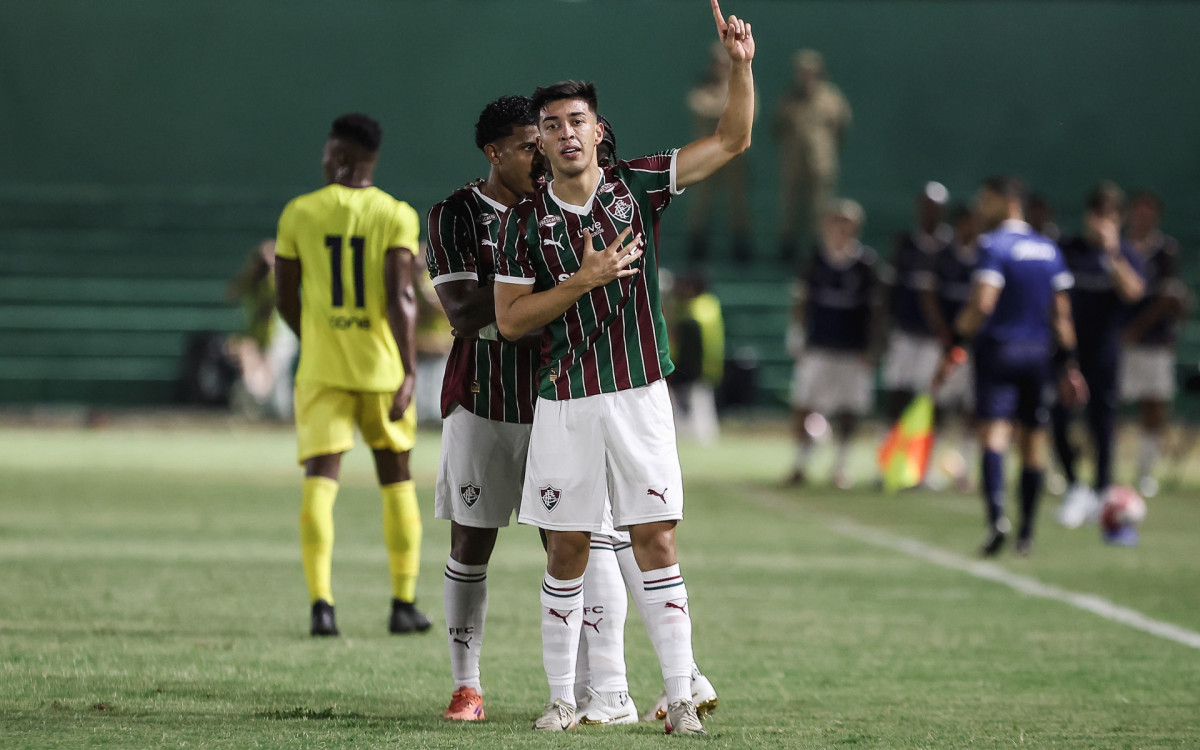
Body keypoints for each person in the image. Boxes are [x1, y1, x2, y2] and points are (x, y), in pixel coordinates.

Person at [491, 2, 754, 734]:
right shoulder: (521, 224)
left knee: (655, 537)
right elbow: (511, 321)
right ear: (538, 142)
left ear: (598, 130)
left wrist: (740, 65)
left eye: (578, 120)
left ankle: (678, 697)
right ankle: (562, 700)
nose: (567, 133)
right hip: (565, 401)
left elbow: (734, 139)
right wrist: (584, 278)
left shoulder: (637, 187)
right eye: (552, 125)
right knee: (568, 545)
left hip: (638, 392)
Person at [428, 96, 646, 726]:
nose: (541, 152)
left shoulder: (565, 207)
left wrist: (530, 309)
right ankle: (467, 685)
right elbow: (465, 314)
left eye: (543, 141)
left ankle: (595, 688)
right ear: (494, 152)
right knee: (471, 540)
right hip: (485, 401)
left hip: (564, 398)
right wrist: (532, 313)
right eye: (528, 144)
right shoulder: (458, 213)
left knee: (579, 538)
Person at [274, 113, 429, 637]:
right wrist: (408, 371)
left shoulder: (299, 213)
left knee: (320, 481)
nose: (323, 160)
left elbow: (284, 296)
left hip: (323, 371)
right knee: (397, 481)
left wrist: (316, 336)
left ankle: (322, 606)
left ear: (341, 155)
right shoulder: (396, 214)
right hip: (381, 369)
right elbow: (401, 295)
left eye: (327, 152)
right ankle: (403, 603)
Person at [933, 176, 1087, 557]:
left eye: (987, 201)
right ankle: (1027, 534)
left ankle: (998, 519)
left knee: (995, 437)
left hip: (999, 351)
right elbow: (1062, 316)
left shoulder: (993, 246)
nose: (981, 210)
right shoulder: (1048, 249)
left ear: (1007, 201)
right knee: (1034, 445)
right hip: (1039, 355)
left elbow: (983, 302)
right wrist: (1069, 366)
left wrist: (956, 343)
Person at [1052, 182, 1145, 528]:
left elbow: (1134, 292)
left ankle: (1103, 490)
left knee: (1102, 421)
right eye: (1097, 214)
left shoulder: (1124, 254)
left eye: (1109, 215)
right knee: (1057, 416)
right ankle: (1075, 485)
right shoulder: (1070, 250)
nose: (1100, 222)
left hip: (1105, 353)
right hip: (1068, 353)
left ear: (1118, 219)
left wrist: (1114, 255)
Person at [786, 199, 882, 489]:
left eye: (847, 223)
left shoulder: (866, 264)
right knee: (804, 405)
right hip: (819, 345)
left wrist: (873, 347)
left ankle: (840, 464)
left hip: (852, 349)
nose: (841, 228)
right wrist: (797, 334)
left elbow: (876, 310)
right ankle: (800, 463)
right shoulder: (815, 259)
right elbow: (801, 300)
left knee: (850, 409)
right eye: (836, 221)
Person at [1121, 191, 1187, 497]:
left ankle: (1145, 473)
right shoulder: (1118, 248)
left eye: (1148, 211)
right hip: (1120, 342)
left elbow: (1169, 297)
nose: (1142, 216)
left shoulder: (1166, 251)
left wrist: (1139, 327)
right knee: (1108, 405)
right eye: (1138, 210)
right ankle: (1103, 472)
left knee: (1154, 407)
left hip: (1154, 344)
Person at [882, 182, 953, 429]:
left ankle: (924, 453)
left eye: (934, 207)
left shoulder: (949, 248)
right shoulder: (906, 243)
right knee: (897, 389)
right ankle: (890, 443)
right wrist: (886, 326)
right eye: (925, 206)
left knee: (930, 396)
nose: (929, 212)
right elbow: (889, 289)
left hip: (935, 337)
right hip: (904, 330)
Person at [773, 48, 852, 265]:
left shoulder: (832, 98)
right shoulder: (789, 98)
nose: (806, 76)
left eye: (810, 71)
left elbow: (842, 125)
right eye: (802, 71)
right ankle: (788, 248)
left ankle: (818, 251)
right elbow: (778, 127)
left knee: (821, 208)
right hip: (794, 162)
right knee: (791, 207)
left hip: (821, 162)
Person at [685, 42, 755, 264]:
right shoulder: (705, 88)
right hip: (706, 156)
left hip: (734, 158)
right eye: (717, 63)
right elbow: (700, 106)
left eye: (724, 63)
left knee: (738, 204)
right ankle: (697, 247)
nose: (720, 67)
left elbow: (751, 111)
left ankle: (741, 248)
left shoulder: (741, 85)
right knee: (701, 203)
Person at [929, 204, 981, 489]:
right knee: (938, 405)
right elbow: (930, 294)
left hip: (975, 347)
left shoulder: (987, 254)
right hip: (947, 343)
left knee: (972, 410)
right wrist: (944, 332)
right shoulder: (943, 256)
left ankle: (966, 470)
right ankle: (927, 469)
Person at [226, 239, 298, 420]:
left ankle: (282, 415)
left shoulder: (276, 280)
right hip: (257, 337)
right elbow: (232, 293)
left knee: (274, 381)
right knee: (259, 381)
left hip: (279, 339)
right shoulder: (251, 283)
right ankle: (258, 411)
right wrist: (252, 268)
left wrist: (275, 266)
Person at [669, 271, 725, 445]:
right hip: (710, 363)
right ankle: (703, 436)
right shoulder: (711, 304)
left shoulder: (694, 310)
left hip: (695, 365)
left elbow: (680, 337)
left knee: (696, 403)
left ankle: (698, 437)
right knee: (700, 402)